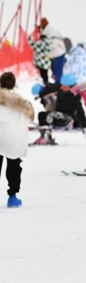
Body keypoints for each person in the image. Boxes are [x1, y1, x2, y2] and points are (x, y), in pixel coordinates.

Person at [0, 72, 34, 207]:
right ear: (14, 84)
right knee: (13, 167)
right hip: (13, 138)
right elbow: (30, 117)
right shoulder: (22, 103)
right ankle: (12, 197)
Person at [65, 42, 86, 130]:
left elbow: (66, 72)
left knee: (74, 105)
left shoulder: (70, 59)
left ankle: (73, 123)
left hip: (75, 85)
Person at [40, 18, 67, 83]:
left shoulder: (49, 31)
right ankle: (58, 83)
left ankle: (58, 84)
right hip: (58, 52)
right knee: (56, 69)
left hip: (58, 52)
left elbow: (54, 42)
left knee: (58, 69)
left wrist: (48, 50)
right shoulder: (51, 29)